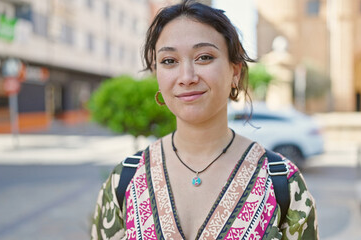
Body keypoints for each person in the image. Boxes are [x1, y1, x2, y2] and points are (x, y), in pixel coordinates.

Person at [91, 1, 318, 239]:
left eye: (204, 57)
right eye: (169, 60)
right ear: (156, 73)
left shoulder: (281, 183)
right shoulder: (124, 181)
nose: (187, 77)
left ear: (235, 72)